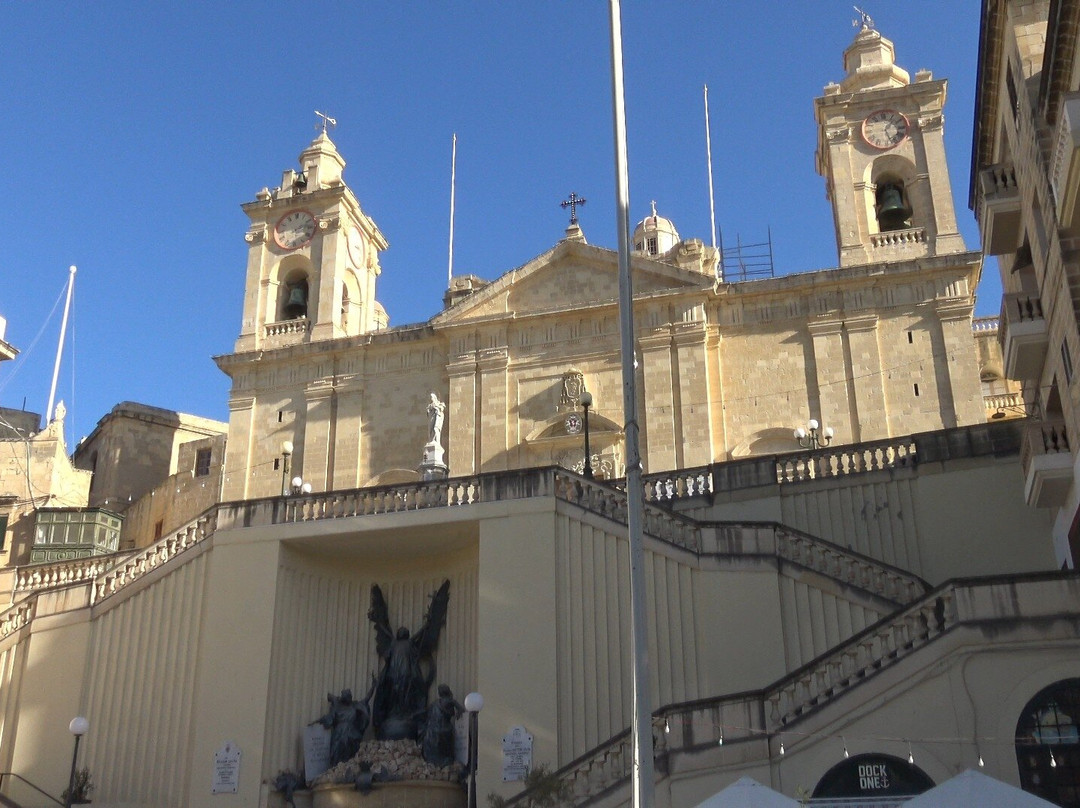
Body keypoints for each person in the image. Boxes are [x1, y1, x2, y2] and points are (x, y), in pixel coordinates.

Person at [315, 688, 371, 766]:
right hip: (339, 733)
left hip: (351, 732)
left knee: (349, 747)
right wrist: (319, 721)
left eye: (350, 696)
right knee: (336, 749)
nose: (349, 698)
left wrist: (373, 687)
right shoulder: (337, 707)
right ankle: (335, 767)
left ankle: (347, 766)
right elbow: (330, 718)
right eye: (347, 697)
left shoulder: (355, 705)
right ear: (343, 698)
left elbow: (366, 699)